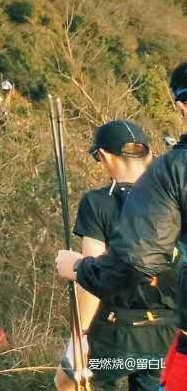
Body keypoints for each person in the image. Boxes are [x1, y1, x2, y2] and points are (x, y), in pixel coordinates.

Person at [57, 118, 178, 389]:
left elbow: (91, 276)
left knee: (67, 380)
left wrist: (80, 335)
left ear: (103, 156)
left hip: (115, 337)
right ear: (148, 154)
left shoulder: (98, 202)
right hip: (166, 336)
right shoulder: (173, 196)